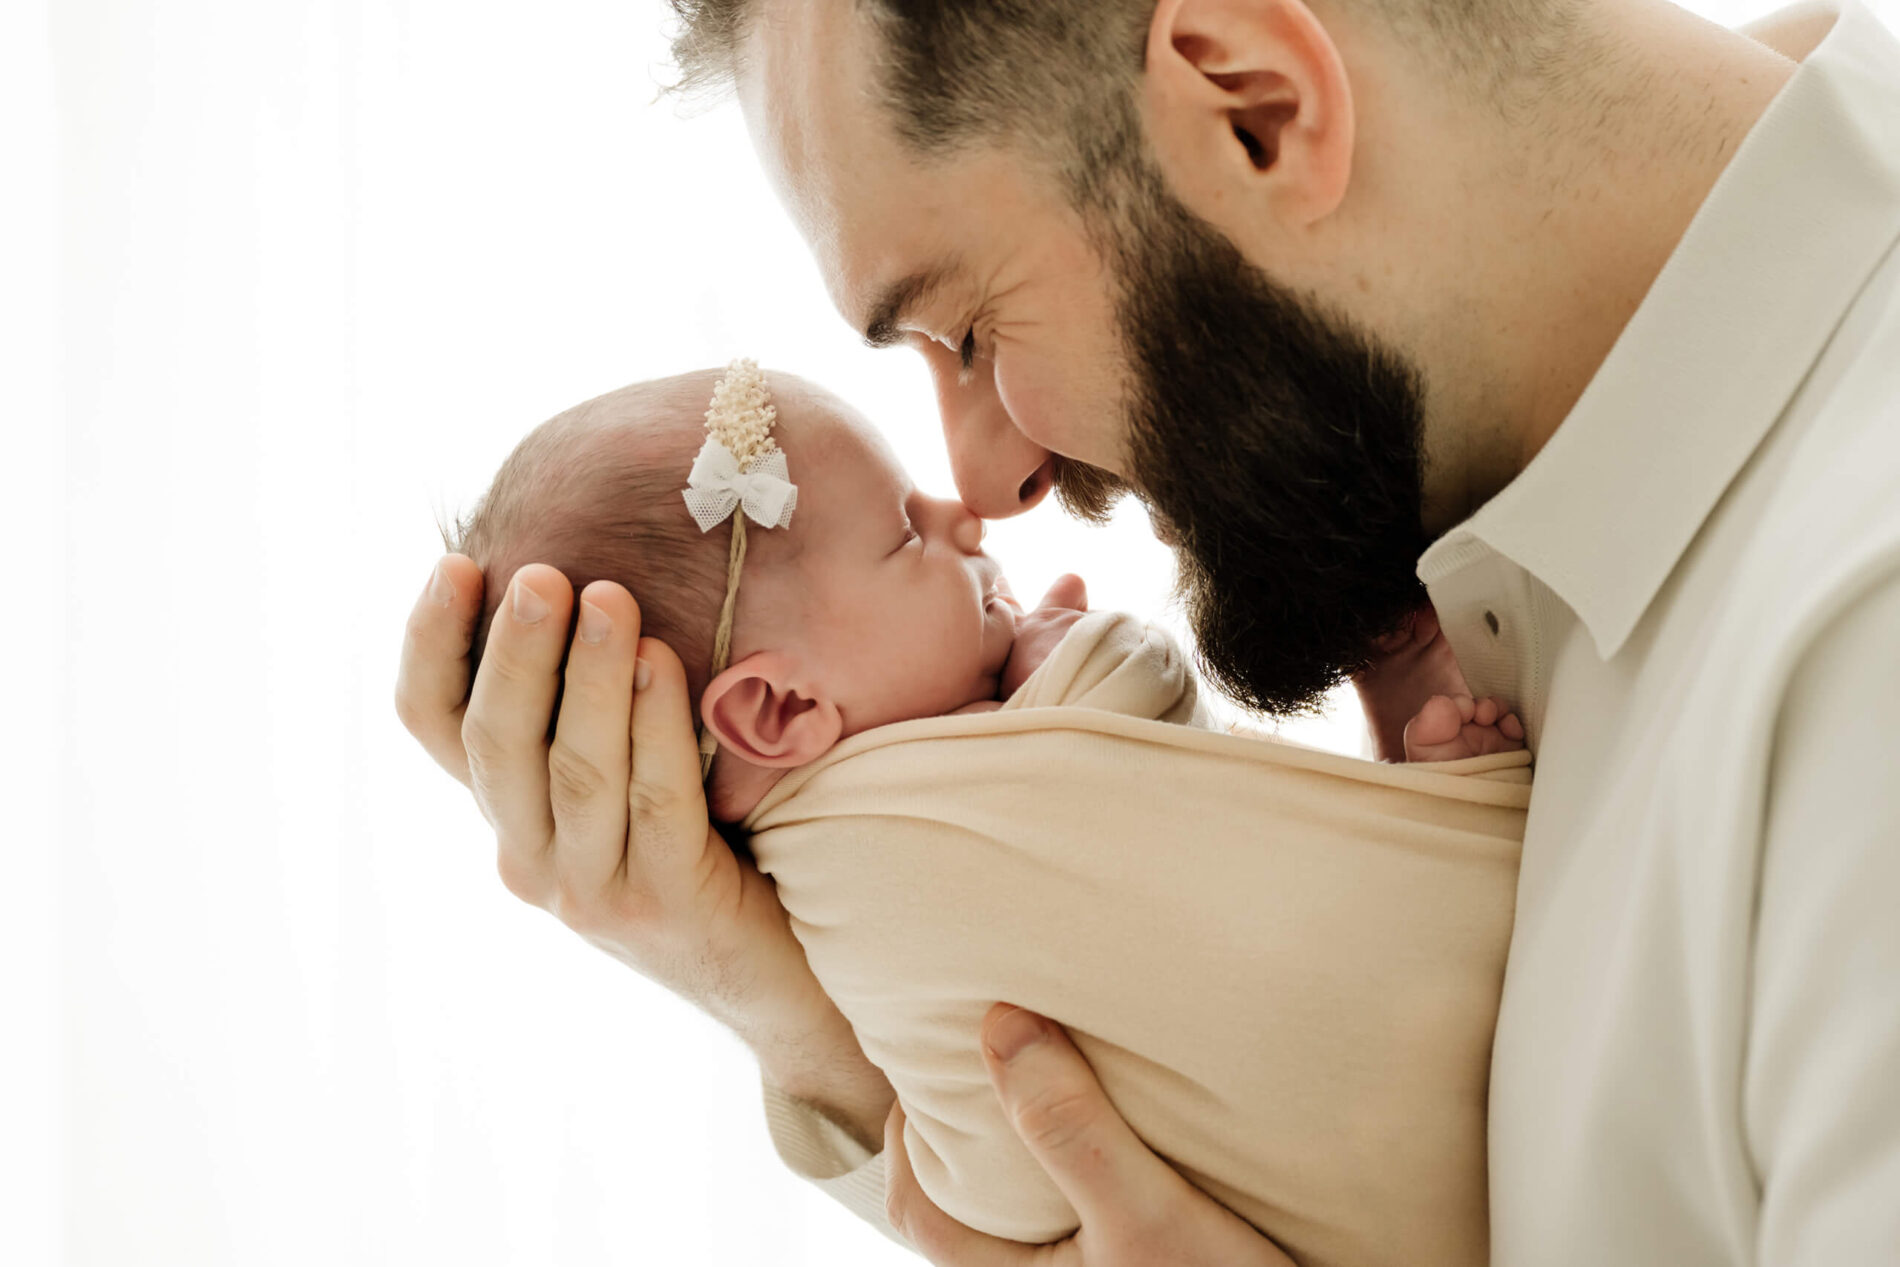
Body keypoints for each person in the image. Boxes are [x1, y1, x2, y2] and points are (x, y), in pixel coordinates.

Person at [396, 1, 1900, 1262]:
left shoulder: (1857, 672)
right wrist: (770, 984)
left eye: (969, 331)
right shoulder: (1487, 503)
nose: (987, 481)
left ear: (1253, 106)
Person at [446, 360, 1528, 1263]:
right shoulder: (889, 837)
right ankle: (1437, 800)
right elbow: (1141, 693)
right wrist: (1077, 669)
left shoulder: (834, 894)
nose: (961, 510)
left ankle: (1420, 794)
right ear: (777, 708)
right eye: (904, 535)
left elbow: (988, 1195)